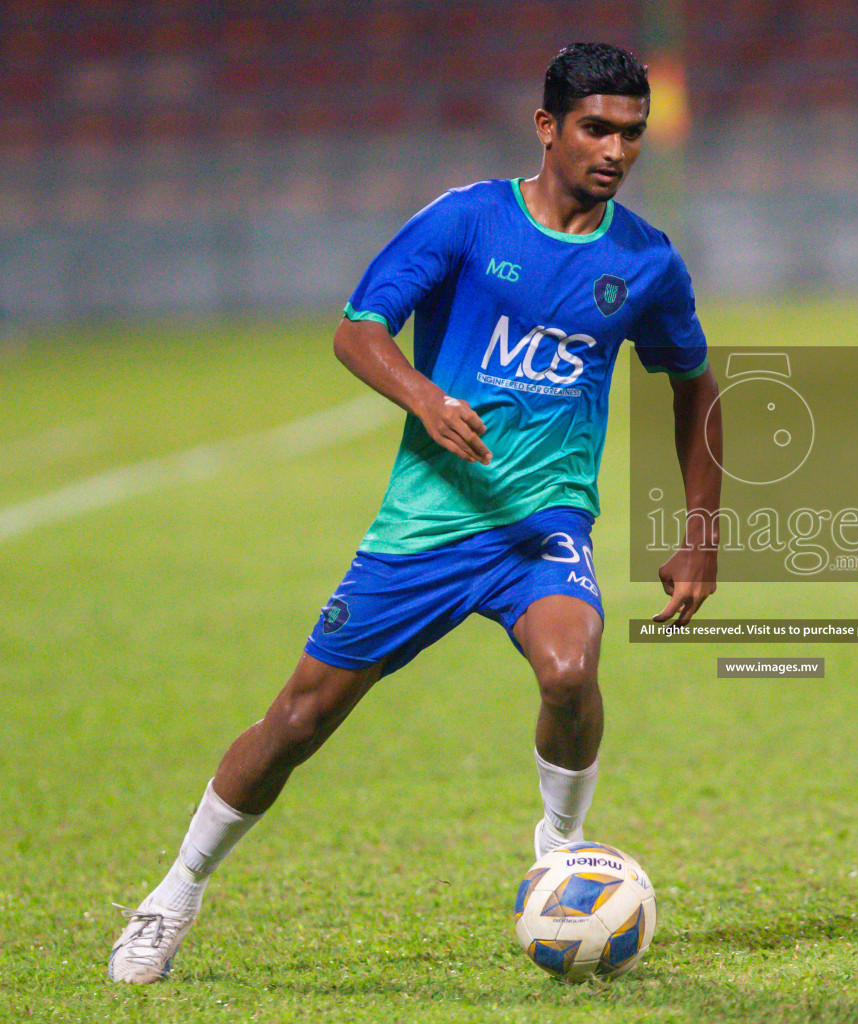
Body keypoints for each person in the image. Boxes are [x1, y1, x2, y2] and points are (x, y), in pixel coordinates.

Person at [108, 42, 721, 982]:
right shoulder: (469, 220)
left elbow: (695, 386)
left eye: (633, 134)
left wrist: (700, 538)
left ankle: (560, 848)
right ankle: (175, 891)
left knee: (570, 668)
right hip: (429, 524)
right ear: (549, 126)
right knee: (301, 720)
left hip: (541, 525)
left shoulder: (646, 261)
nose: (616, 150)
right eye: (597, 128)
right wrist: (425, 400)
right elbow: (359, 330)